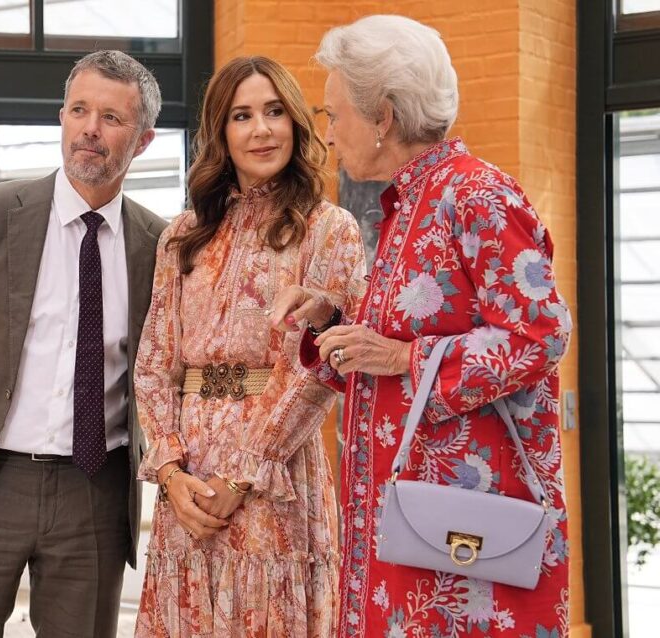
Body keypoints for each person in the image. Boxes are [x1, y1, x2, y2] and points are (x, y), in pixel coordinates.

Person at [273, 15, 573, 637]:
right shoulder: (409, 202)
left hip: (463, 545)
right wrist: (335, 322)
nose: (327, 136)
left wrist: (408, 359)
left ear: (382, 115)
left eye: (334, 115)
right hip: (410, 537)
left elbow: (541, 333)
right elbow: (397, 343)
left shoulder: (477, 196)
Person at [0, 50, 168, 637]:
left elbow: (158, 363)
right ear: (62, 117)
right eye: (79, 110)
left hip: (94, 491)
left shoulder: (160, 244)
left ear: (144, 140)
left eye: (112, 118)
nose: (91, 130)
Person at [134, 55, 366, 637]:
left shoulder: (328, 228)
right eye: (242, 115)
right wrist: (170, 472)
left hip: (273, 475)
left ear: (295, 122)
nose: (261, 129)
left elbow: (318, 371)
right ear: (220, 132)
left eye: (274, 112)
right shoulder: (181, 237)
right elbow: (155, 364)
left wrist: (243, 474)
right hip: (186, 480)